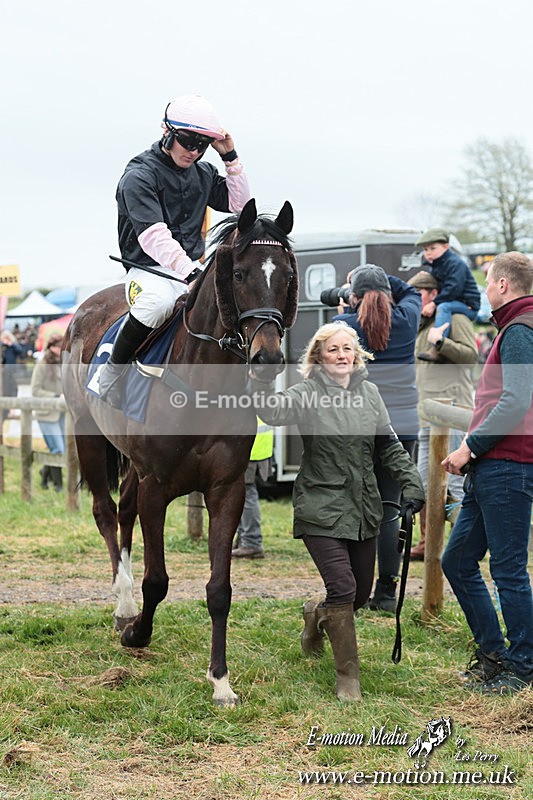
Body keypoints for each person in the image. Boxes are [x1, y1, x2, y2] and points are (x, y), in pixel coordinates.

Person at [251, 321, 425, 701]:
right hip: (320, 504)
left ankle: (315, 615)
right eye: (333, 349)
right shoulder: (308, 392)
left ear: (357, 354)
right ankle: (349, 679)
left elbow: (390, 447)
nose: (342, 355)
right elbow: (271, 411)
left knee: (359, 594)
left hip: (363, 507)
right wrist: (260, 377)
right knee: (343, 587)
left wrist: (413, 484)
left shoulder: (371, 393)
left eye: (347, 348)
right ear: (318, 356)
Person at [99, 94, 251, 407]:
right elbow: (154, 237)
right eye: (187, 141)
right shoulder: (138, 176)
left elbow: (239, 207)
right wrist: (191, 272)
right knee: (158, 304)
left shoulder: (204, 173)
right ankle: (112, 372)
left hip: (191, 268)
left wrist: (231, 158)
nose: (194, 151)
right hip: (149, 269)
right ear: (167, 131)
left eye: (202, 145)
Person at [441, 251, 533, 695]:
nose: (484, 288)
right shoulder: (513, 328)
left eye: (487, 280)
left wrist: (469, 447)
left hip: (508, 466)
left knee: (510, 570)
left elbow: (516, 401)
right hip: (492, 466)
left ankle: (522, 666)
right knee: (456, 560)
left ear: (503, 285)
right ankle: (493, 653)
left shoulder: (519, 329)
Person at [333, 264, 421, 611]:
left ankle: (351, 587)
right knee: (390, 509)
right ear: (388, 294)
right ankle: (385, 593)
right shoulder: (408, 319)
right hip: (405, 425)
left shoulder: (346, 327)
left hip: (361, 428)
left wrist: (351, 287)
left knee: (352, 506)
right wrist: (379, 280)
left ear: (353, 298)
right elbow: (411, 292)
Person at [406, 270, 478, 560]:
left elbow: (470, 355)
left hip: (453, 414)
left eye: (418, 294)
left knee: (455, 483)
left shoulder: (454, 318)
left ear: (432, 293)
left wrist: (440, 342)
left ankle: (464, 547)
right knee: (426, 483)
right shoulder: (423, 324)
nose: (414, 301)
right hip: (427, 415)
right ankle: (429, 543)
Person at [415, 228, 480, 362]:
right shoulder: (437, 265)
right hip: (454, 301)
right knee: (443, 306)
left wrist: (434, 303)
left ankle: (436, 345)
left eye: (433, 248)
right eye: (426, 250)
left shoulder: (456, 264)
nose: (428, 253)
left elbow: (453, 289)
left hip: (468, 305)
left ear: (446, 246)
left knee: (443, 307)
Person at [232, 417, 274, 559]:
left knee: (246, 495)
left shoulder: (242, 394)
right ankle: (244, 540)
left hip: (249, 449)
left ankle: (251, 543)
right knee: (240, 495)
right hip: (256, 447)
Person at [30, 334, 65, 491]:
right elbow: (35, 390)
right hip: (46, 413)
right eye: (58, 346)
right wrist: (55, 397)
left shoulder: (64, 362)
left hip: (62, 412)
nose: (60, 349)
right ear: (51, 347)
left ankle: (44, 473)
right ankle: (59, 486)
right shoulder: (43, 363)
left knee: (61, 447)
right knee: (58, 449)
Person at [1, 330, 25, 422]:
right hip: (3, 371)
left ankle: (12, 408)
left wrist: (11, 344)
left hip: (12, 371)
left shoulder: (13, 346)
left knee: (13, 389)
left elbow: (20, 352)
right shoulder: (2, 346)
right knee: (5, 389)